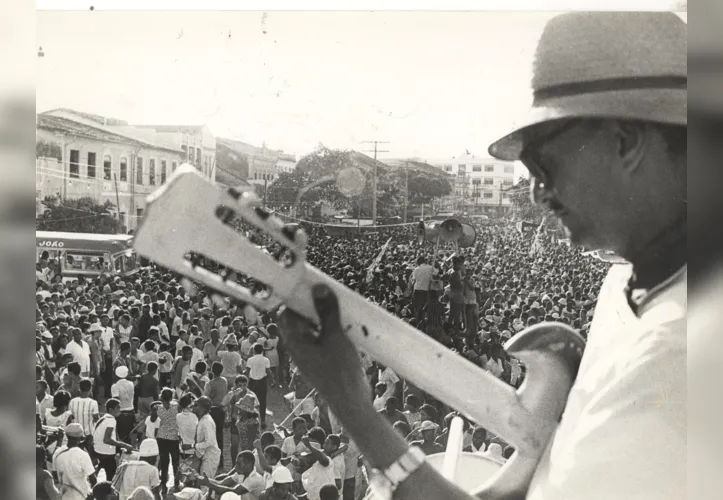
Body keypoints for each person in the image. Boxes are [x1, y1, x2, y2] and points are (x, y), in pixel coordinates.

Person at [277, 12, 687, 500]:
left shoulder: (677, 351)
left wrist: (354, 408)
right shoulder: (625, 281)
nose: (536, 192)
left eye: (543, 165)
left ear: (626, 142)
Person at [93, 398, 133, 482]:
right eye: (118, 408)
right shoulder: (111, 420)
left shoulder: (103, 418)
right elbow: (107, 439)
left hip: (97, 450)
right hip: (105, 452)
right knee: (112, 476)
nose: (120, 410)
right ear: (111, 409)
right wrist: (124, 445)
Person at [54, 423, 97, 500]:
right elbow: (93, 479)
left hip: (63, 496)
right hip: (81, 496)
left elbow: (54, 475)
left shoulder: (57, 452)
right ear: (80, 438)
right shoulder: (82, 454)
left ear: (66, 436)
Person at [246, 343, 276, 428]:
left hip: (252, 382)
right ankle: (262, 420)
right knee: (262, 401)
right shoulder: (266, 360)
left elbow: (247, 371)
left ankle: (250, 419)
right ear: (262, 350)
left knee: (251, 400)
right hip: (262, 382)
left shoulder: (250, 360)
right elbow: (268, 372)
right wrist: (272, 381)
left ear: (254, 350)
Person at [194, 396, 223, 483]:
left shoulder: (206, 421)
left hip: (210, 457)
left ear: (201, 408)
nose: (194, 407)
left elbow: (210, 441)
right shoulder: (203, 419)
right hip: (206, 456)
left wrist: (194, 446)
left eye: (196, 405)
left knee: (205, 486)